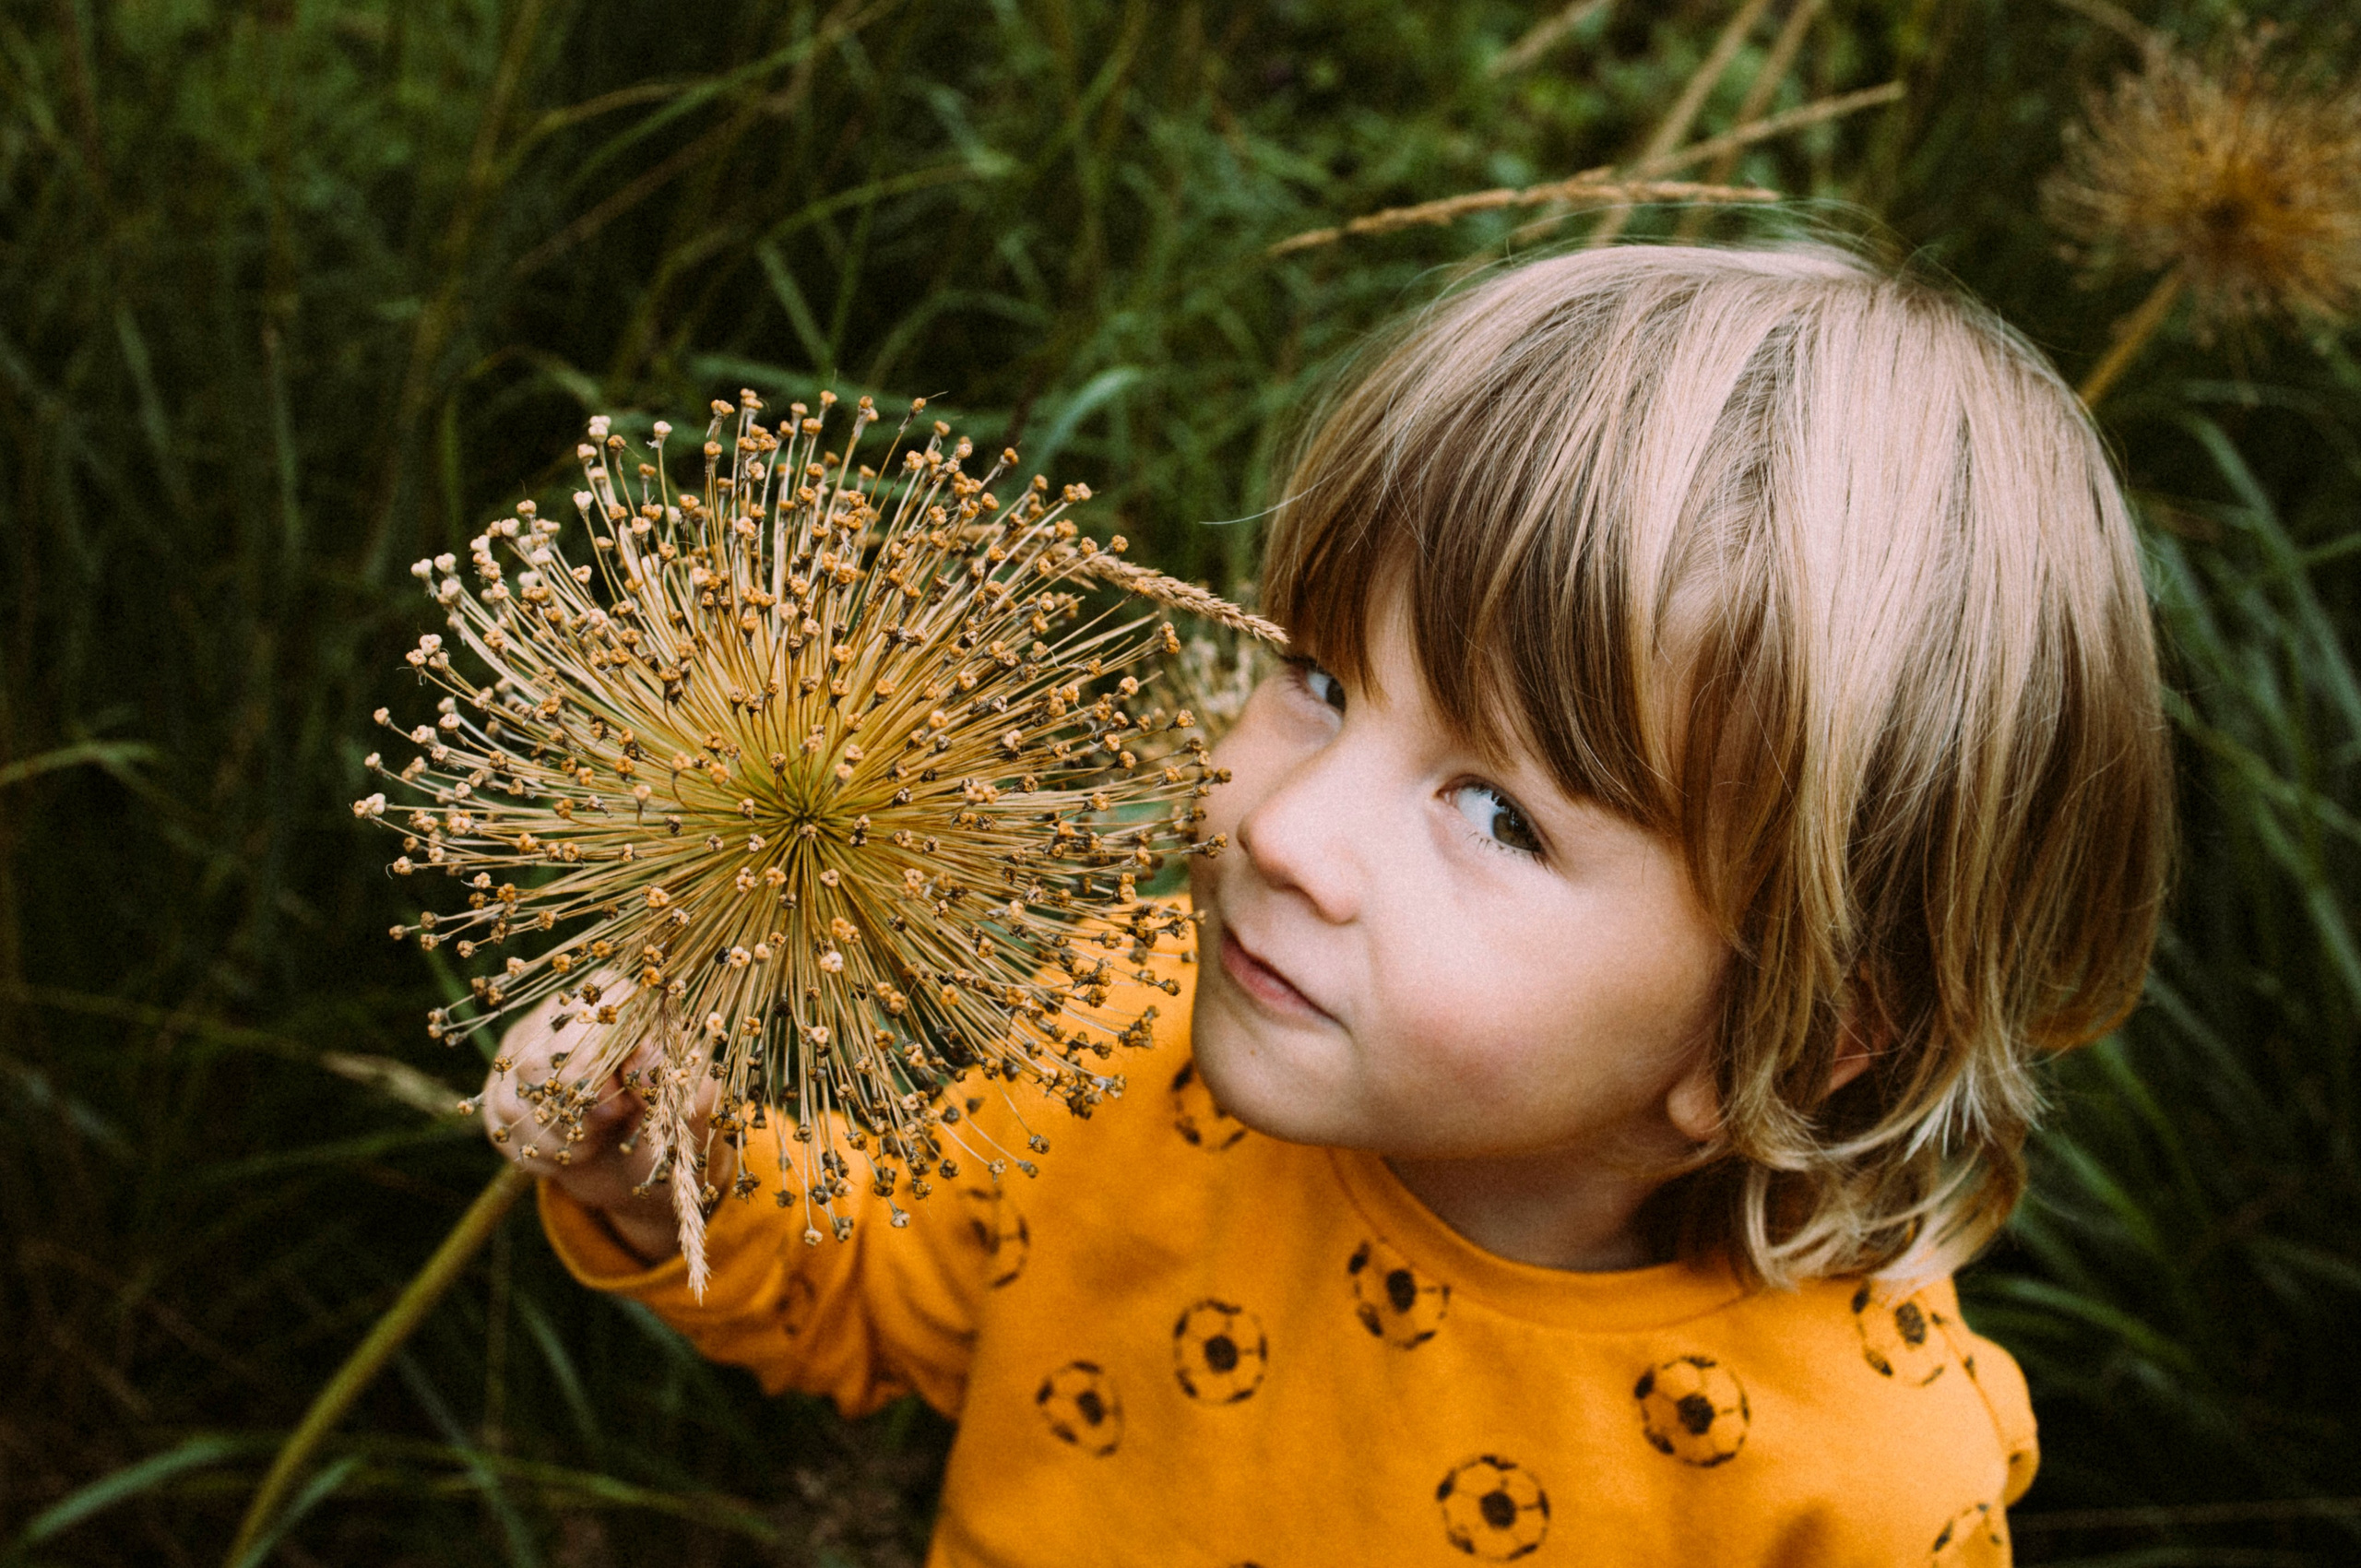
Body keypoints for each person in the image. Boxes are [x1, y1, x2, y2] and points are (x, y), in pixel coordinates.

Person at [481, 244, 2172, 1565]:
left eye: (1498, 813)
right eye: (1316, 678)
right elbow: (872, 1289)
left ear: (1789, 1043)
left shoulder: (1856, 1493)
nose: (1286, 828)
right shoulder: (1118, 1041)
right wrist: (662, 1170)